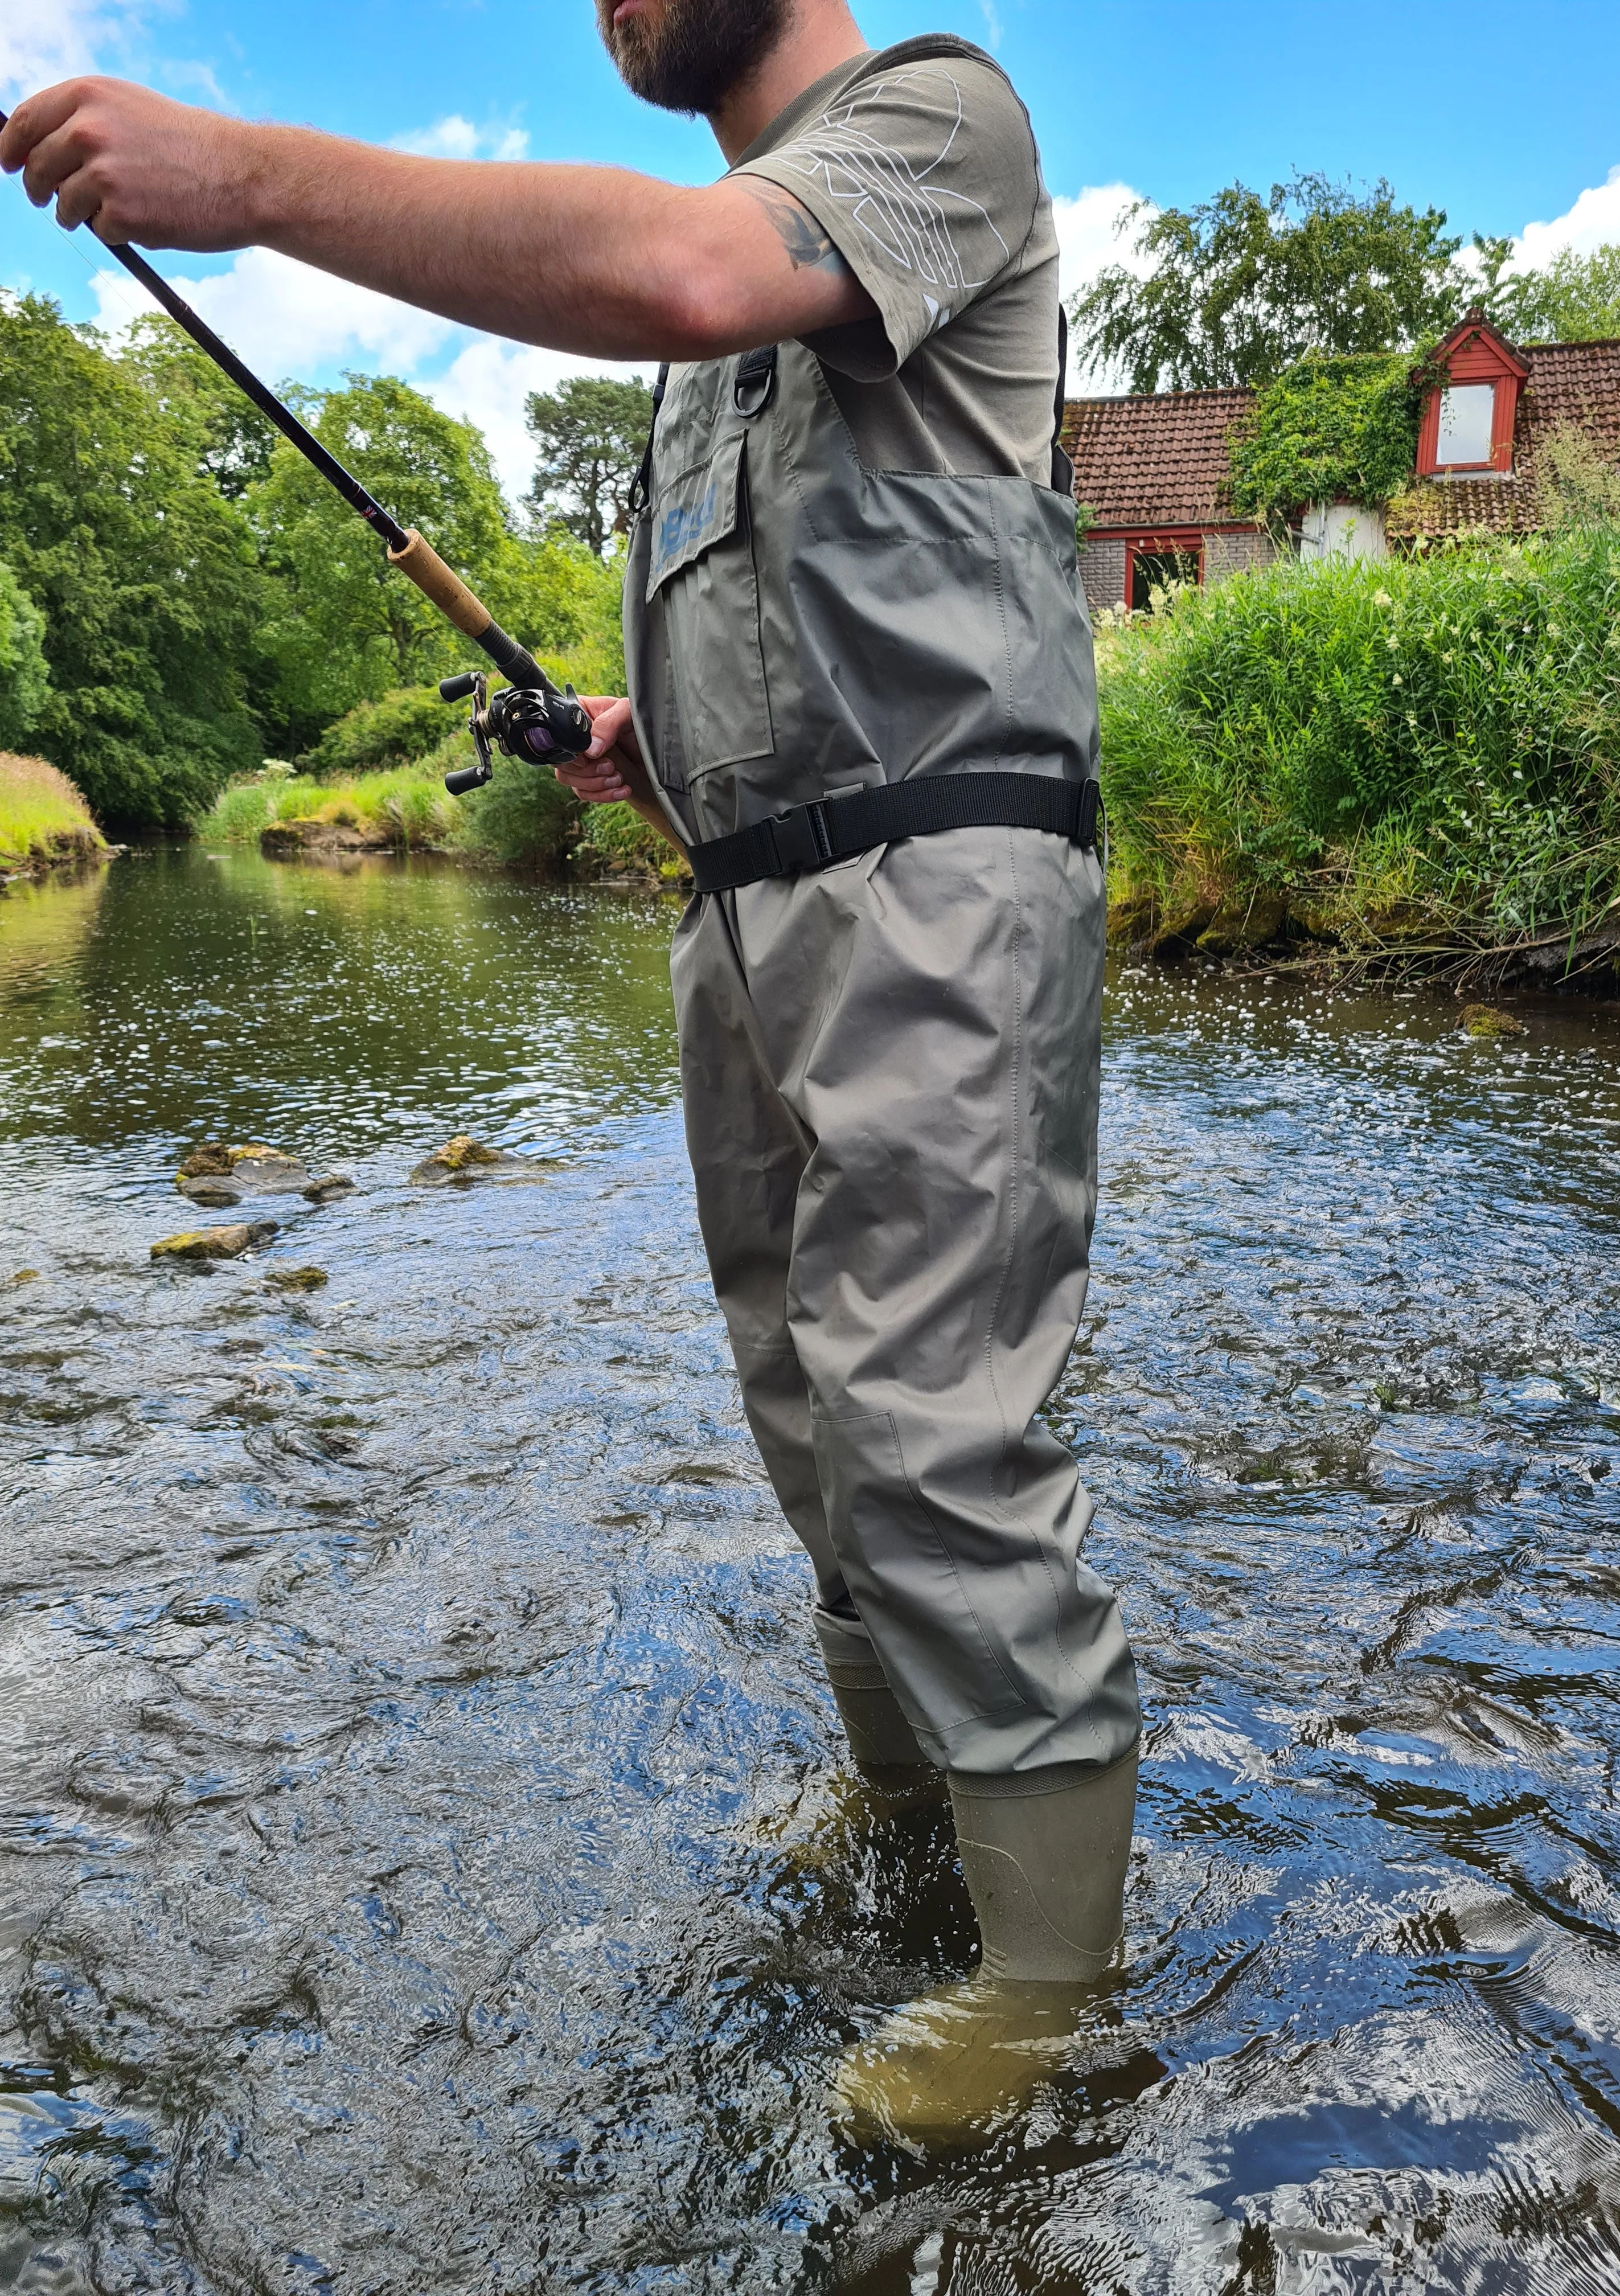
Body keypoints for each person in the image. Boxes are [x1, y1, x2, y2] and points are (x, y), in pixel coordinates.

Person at [1, 0, 1143, 2146]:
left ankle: (1055, 2000)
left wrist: (238, 181)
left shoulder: (935, 116)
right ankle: (929, 1845)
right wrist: (650, 747)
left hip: (940, 902)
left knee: (935, 1435)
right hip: (747, 902)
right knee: (819, 1426)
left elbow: (691, 263)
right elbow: (817, 608)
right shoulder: (708, 358)